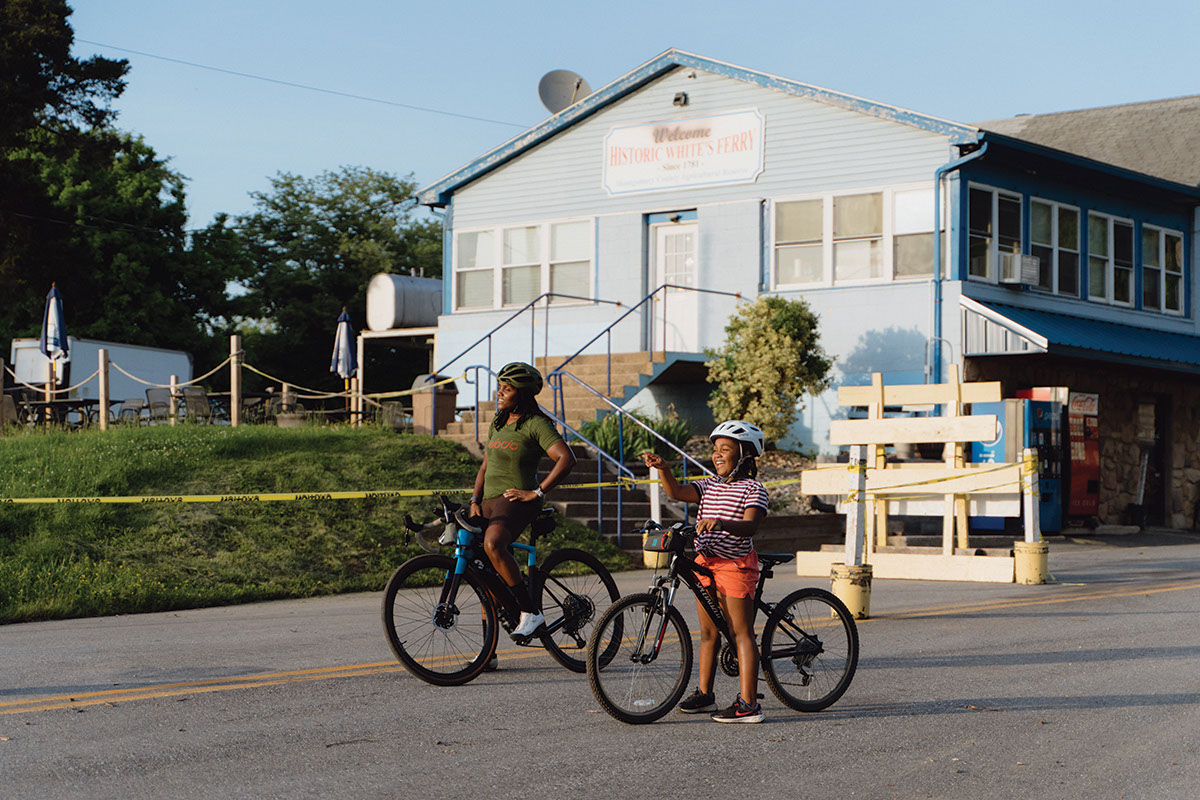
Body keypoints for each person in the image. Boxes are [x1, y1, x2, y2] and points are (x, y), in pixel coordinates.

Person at [642, 420, 769, 724]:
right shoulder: (708, 485)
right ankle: (704, 693)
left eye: (725, 449)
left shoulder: (753, 489)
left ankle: (749, 705)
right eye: (715, 450)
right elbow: (675, 492)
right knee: (709, 633)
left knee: (741, 633)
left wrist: (722, 523)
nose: (717, 455)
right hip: (706, 564)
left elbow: (751, 525)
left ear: (745, 454)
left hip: (734, 566)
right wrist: (664, 469)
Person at [469, 362, 576, 648]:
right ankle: (487, 652)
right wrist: (474, 500)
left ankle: (531, 612)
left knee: (493, 545)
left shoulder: (536, 424)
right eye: (499, 388)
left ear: (524, 394)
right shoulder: (498, 421)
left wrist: (537, 493)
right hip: (488, 502)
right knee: (481, 570)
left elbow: (566, 459)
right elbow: (484, 467)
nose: (499, 394)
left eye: (507, 389)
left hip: (516, 501)